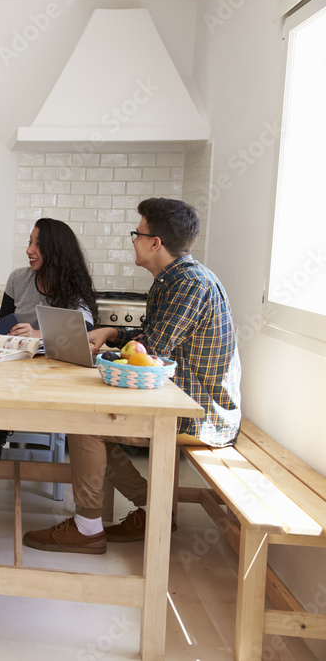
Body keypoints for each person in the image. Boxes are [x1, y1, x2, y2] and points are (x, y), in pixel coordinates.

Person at [23, 197, 241, 554]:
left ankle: (87, 529)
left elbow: (152, 352)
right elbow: (149, 342)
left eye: (136, 233)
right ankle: (153, 508)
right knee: (93, 420)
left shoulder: (189, 284)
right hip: (180, 398)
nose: (133, 240)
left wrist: (105, 352)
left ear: (155, 243)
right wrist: (110, 334)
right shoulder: (174, 278)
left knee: (86, 422)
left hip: (200, 414)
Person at [0, 218, 98, 462]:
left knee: (10, 381)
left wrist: (38, 334)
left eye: (37, 244)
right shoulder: (18, 279)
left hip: (46, 374)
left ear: (56, 251)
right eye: (29, 242)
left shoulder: (73, 288)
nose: (29, 250)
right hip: (10, 364)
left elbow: (86, 334)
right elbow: (2, 329)